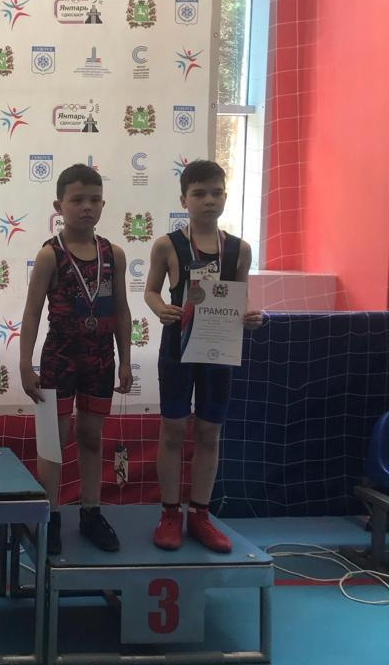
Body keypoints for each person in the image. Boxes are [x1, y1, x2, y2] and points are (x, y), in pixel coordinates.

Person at [144, 159, 262, 552]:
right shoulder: (167, 245)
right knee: (173, 430)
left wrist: (251, 315)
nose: (209, 200)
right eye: (199, 193)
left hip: (218, 348)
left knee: (210, 432)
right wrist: (160, 308)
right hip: (177, 348)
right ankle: (169, 513)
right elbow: (151, 290)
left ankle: (200, 515)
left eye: (216, 193)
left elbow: (241, 297)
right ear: (184, 200)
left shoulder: (240, 250)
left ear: (225, 197)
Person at [20, 164, 132, 554]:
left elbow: (122, 310)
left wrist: (126, 360)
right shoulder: (49, 255)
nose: (87, 207)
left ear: (103, 204)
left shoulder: (113, 254)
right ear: (59, 206)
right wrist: (25, 364)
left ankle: (91, 512)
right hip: (60, 359)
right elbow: (32, 312)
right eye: (77, 200)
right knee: (53, 441)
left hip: (100, 361)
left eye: (94, 200)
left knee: (91, 437)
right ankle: (48, 516)